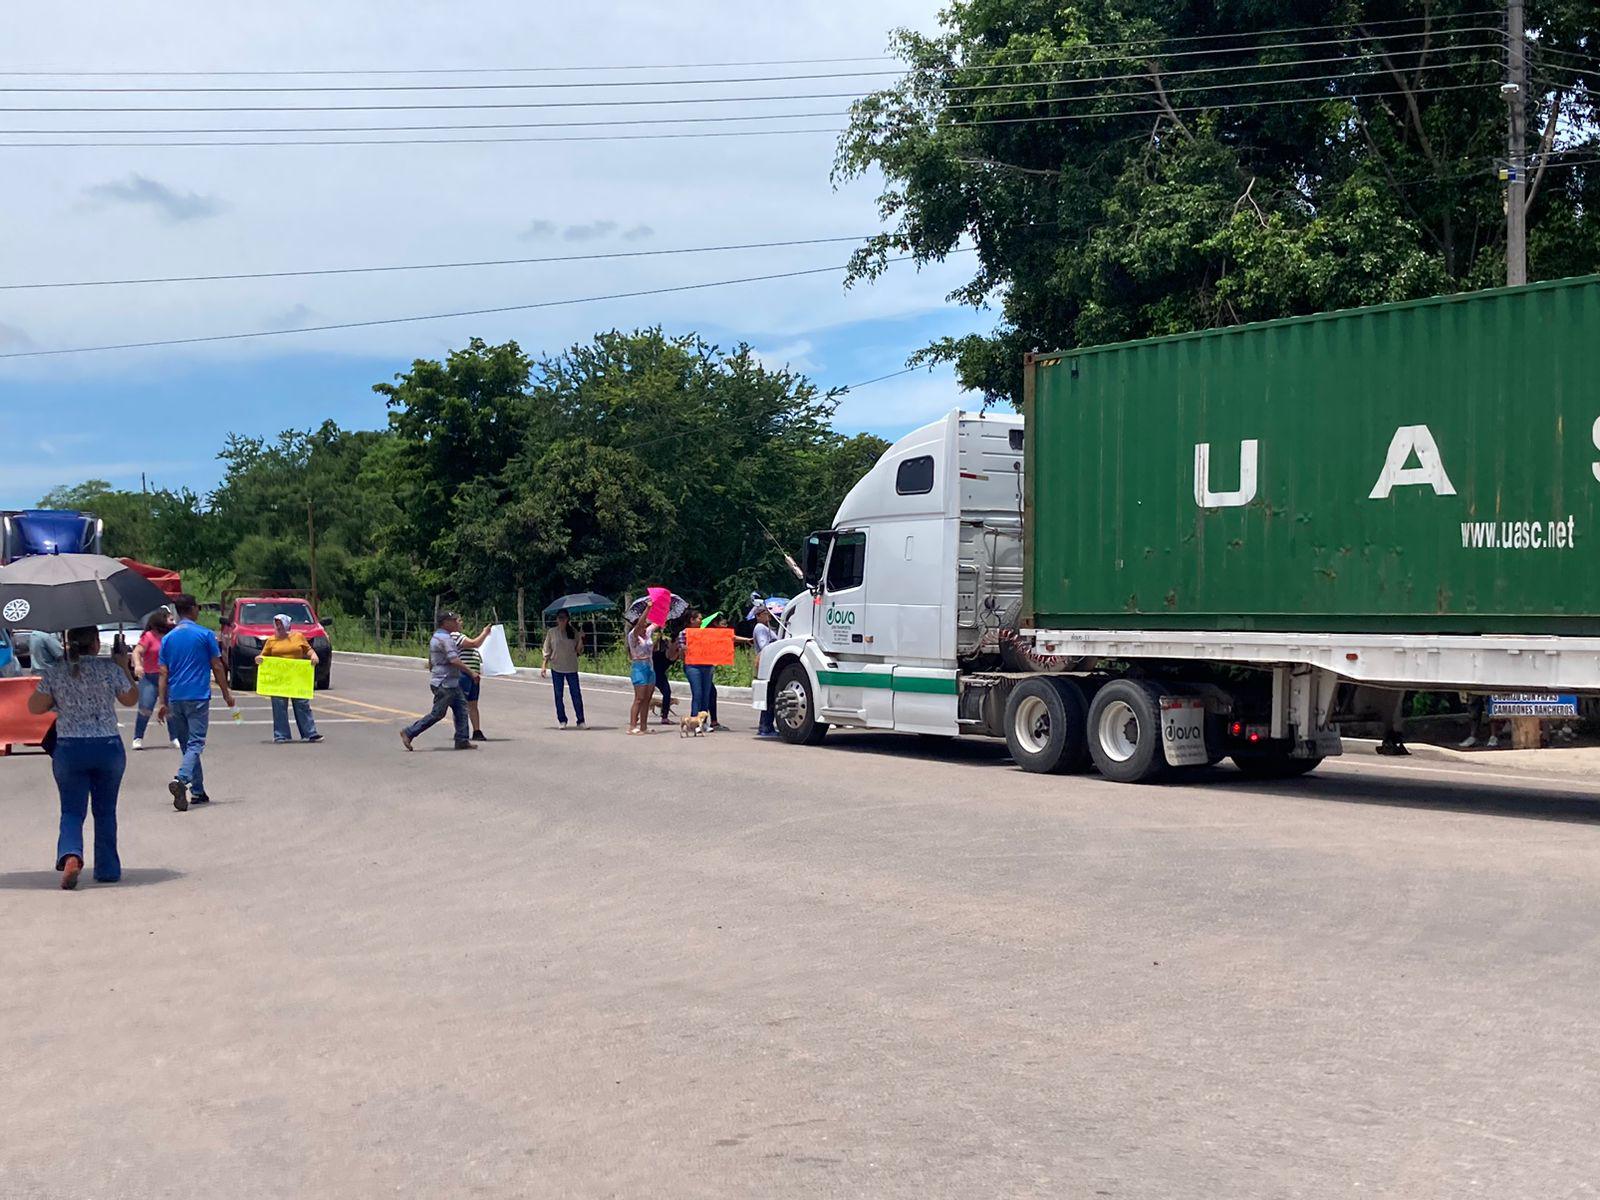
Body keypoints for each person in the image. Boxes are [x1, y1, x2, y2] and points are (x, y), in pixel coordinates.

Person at [28, 626, 139, 889]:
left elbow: (34, 707)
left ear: (67, 644)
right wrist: (123, 665)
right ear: (96, 643)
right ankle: (108, 868)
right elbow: (130, 699)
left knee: (71, 810)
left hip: (69, 748)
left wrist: (58, 700)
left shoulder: (57, 673)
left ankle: (71, 855)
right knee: (105, 811)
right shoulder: (110, 670)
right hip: (107, 746)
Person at [157, 593, 236, 812]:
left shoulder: (168, 639)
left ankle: (198, 791)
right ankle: (182, 779)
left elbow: (163, 673)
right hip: (198, 696)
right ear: (192, 609)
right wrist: (226, 693)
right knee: (196, 743)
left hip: (176, 697)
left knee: (188, 746)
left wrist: (161, 701)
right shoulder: (205, 634)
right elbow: (217, 666)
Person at [400, 611, 480, 751]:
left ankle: (462, 740)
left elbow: (431, 658)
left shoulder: (437, 636)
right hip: (445, 683)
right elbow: (454, 660)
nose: (457, 622)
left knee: (461, 710)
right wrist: (471, 672)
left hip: (449, 682)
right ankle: (409, 732)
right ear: (445, 623)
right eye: (454, 620)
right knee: (438, 713)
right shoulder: (445, 639)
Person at [255, 612, 324, 744]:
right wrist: (259, 659)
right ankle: (281, 735)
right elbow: (263, 656)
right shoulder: (271, 640)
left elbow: (308, 650)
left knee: (302, 703)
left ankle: (310, 733)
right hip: (279, 678)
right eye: (276, 624)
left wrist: (313, 656)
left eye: (281, 624)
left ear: (287, 624)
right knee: (279, 705)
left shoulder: (298, 637)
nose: (278, 627)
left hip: (296, 676)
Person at [132, 608, 179, 751]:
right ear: (161, 620)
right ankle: (137, 737)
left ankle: (174, 737)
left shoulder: (172, 636)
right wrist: (138, 665)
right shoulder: (149, 636)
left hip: (169, 677)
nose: (173, 621)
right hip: (150, 677)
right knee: (145, 708)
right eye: (170, 619)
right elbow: (137, 652)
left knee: (171, 708)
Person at [540, 608, 586, 729]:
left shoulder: (573, 632)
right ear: (557, 619)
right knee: (558, 694)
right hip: (557, 667)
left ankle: (580, 720)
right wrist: (544, 665)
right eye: (560, 618)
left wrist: (581, 638)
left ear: (567, 619)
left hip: (571, 666)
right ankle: (562, 719)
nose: (562, 620)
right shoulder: (552, 632)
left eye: (564, 618)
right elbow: (547, 649)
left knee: (576, 694)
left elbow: (578, 650)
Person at [740, 605, 780, 737]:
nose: (768, 615)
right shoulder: (760, 628)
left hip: (768, 663)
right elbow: (764, 646)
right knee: (769, 696)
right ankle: (765, 727)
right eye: (765, 613)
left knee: (771, 696)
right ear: (758, 615)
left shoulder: (767, 628)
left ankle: (767, 726)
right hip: (766, 663)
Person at [450, 621, 494, 741]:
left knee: (473, 704)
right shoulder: (454, 635)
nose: (461, 623)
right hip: (463, 673)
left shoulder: (461, 635)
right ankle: (461, 731)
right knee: (461, 704)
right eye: (459, 621)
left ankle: (476, 730)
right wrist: (484, 633)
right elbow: (475, 643)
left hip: (473, 675)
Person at [680, 607, 716, 731]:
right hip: (693, 666)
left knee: (706, 695)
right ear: (692, 620)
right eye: (699, 619)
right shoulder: (684, 633)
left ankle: (703, 723)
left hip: (707, 666)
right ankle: (694, 722)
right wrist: (683, 649)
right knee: (698, 694)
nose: (701, 621)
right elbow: (680, 652)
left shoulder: (705, 633)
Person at [626, 611, 658, 735]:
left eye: (646, 625)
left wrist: (663, 607)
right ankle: (633, 726)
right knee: (639, 698)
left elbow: (657, 622)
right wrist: (648, 608)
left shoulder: (647, 633)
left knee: (647, 699)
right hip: (639, 668)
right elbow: (639, 624)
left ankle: (643, 726)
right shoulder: (633, 636)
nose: (645, 627)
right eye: (643, 625)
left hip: (650, 667)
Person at [652, 621, 680, 725]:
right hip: (651, 671)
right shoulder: (664, 643)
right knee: (645, 696)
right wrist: (658, 638)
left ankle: (664, 717)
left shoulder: (677, 651)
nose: (679, 643)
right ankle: (637, 716)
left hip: (660, 674)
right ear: (673, 640)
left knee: (667, 693)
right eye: (678, 641)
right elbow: (652, 650)